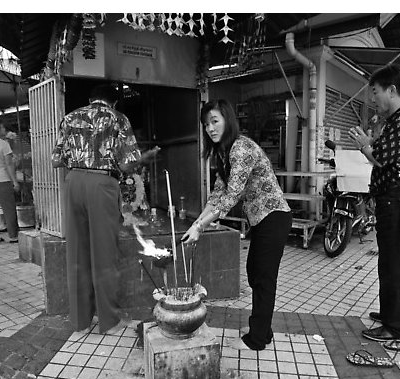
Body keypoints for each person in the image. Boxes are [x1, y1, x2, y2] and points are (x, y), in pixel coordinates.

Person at [181, 99, 292, 351]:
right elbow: (217, 195)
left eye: (215, 121)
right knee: (255, 272)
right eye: (206, 124)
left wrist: (201, 227)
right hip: (261, 220)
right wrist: (197, 224)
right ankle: (263, 329)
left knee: (263, 278)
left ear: (227, 120)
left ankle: (257, 339)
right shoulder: (222, 152)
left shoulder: (240, 148)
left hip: (274, 217)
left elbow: (231, 196)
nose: (210, 128)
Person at [52, 83, 160, 335]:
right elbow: (127, 164)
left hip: (73, 183)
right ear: (114, 102)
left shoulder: (69, 118)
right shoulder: (117, 119)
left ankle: (79, 321)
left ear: (91, 98)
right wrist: (147, 156)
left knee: (76, 253)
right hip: (101, 184)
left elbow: (56, 159)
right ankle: (108, 321)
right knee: (104, 254)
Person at [349, 64, 400, 342]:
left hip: (399, 198)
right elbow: (385, 153)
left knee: (395, 264)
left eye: (375, 92)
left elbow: (380, 157)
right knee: (393, 262)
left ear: (392, 90)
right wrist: (371, 143)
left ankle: (396, 328)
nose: (373, 99)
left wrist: (363, 144)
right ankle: (390, 313)